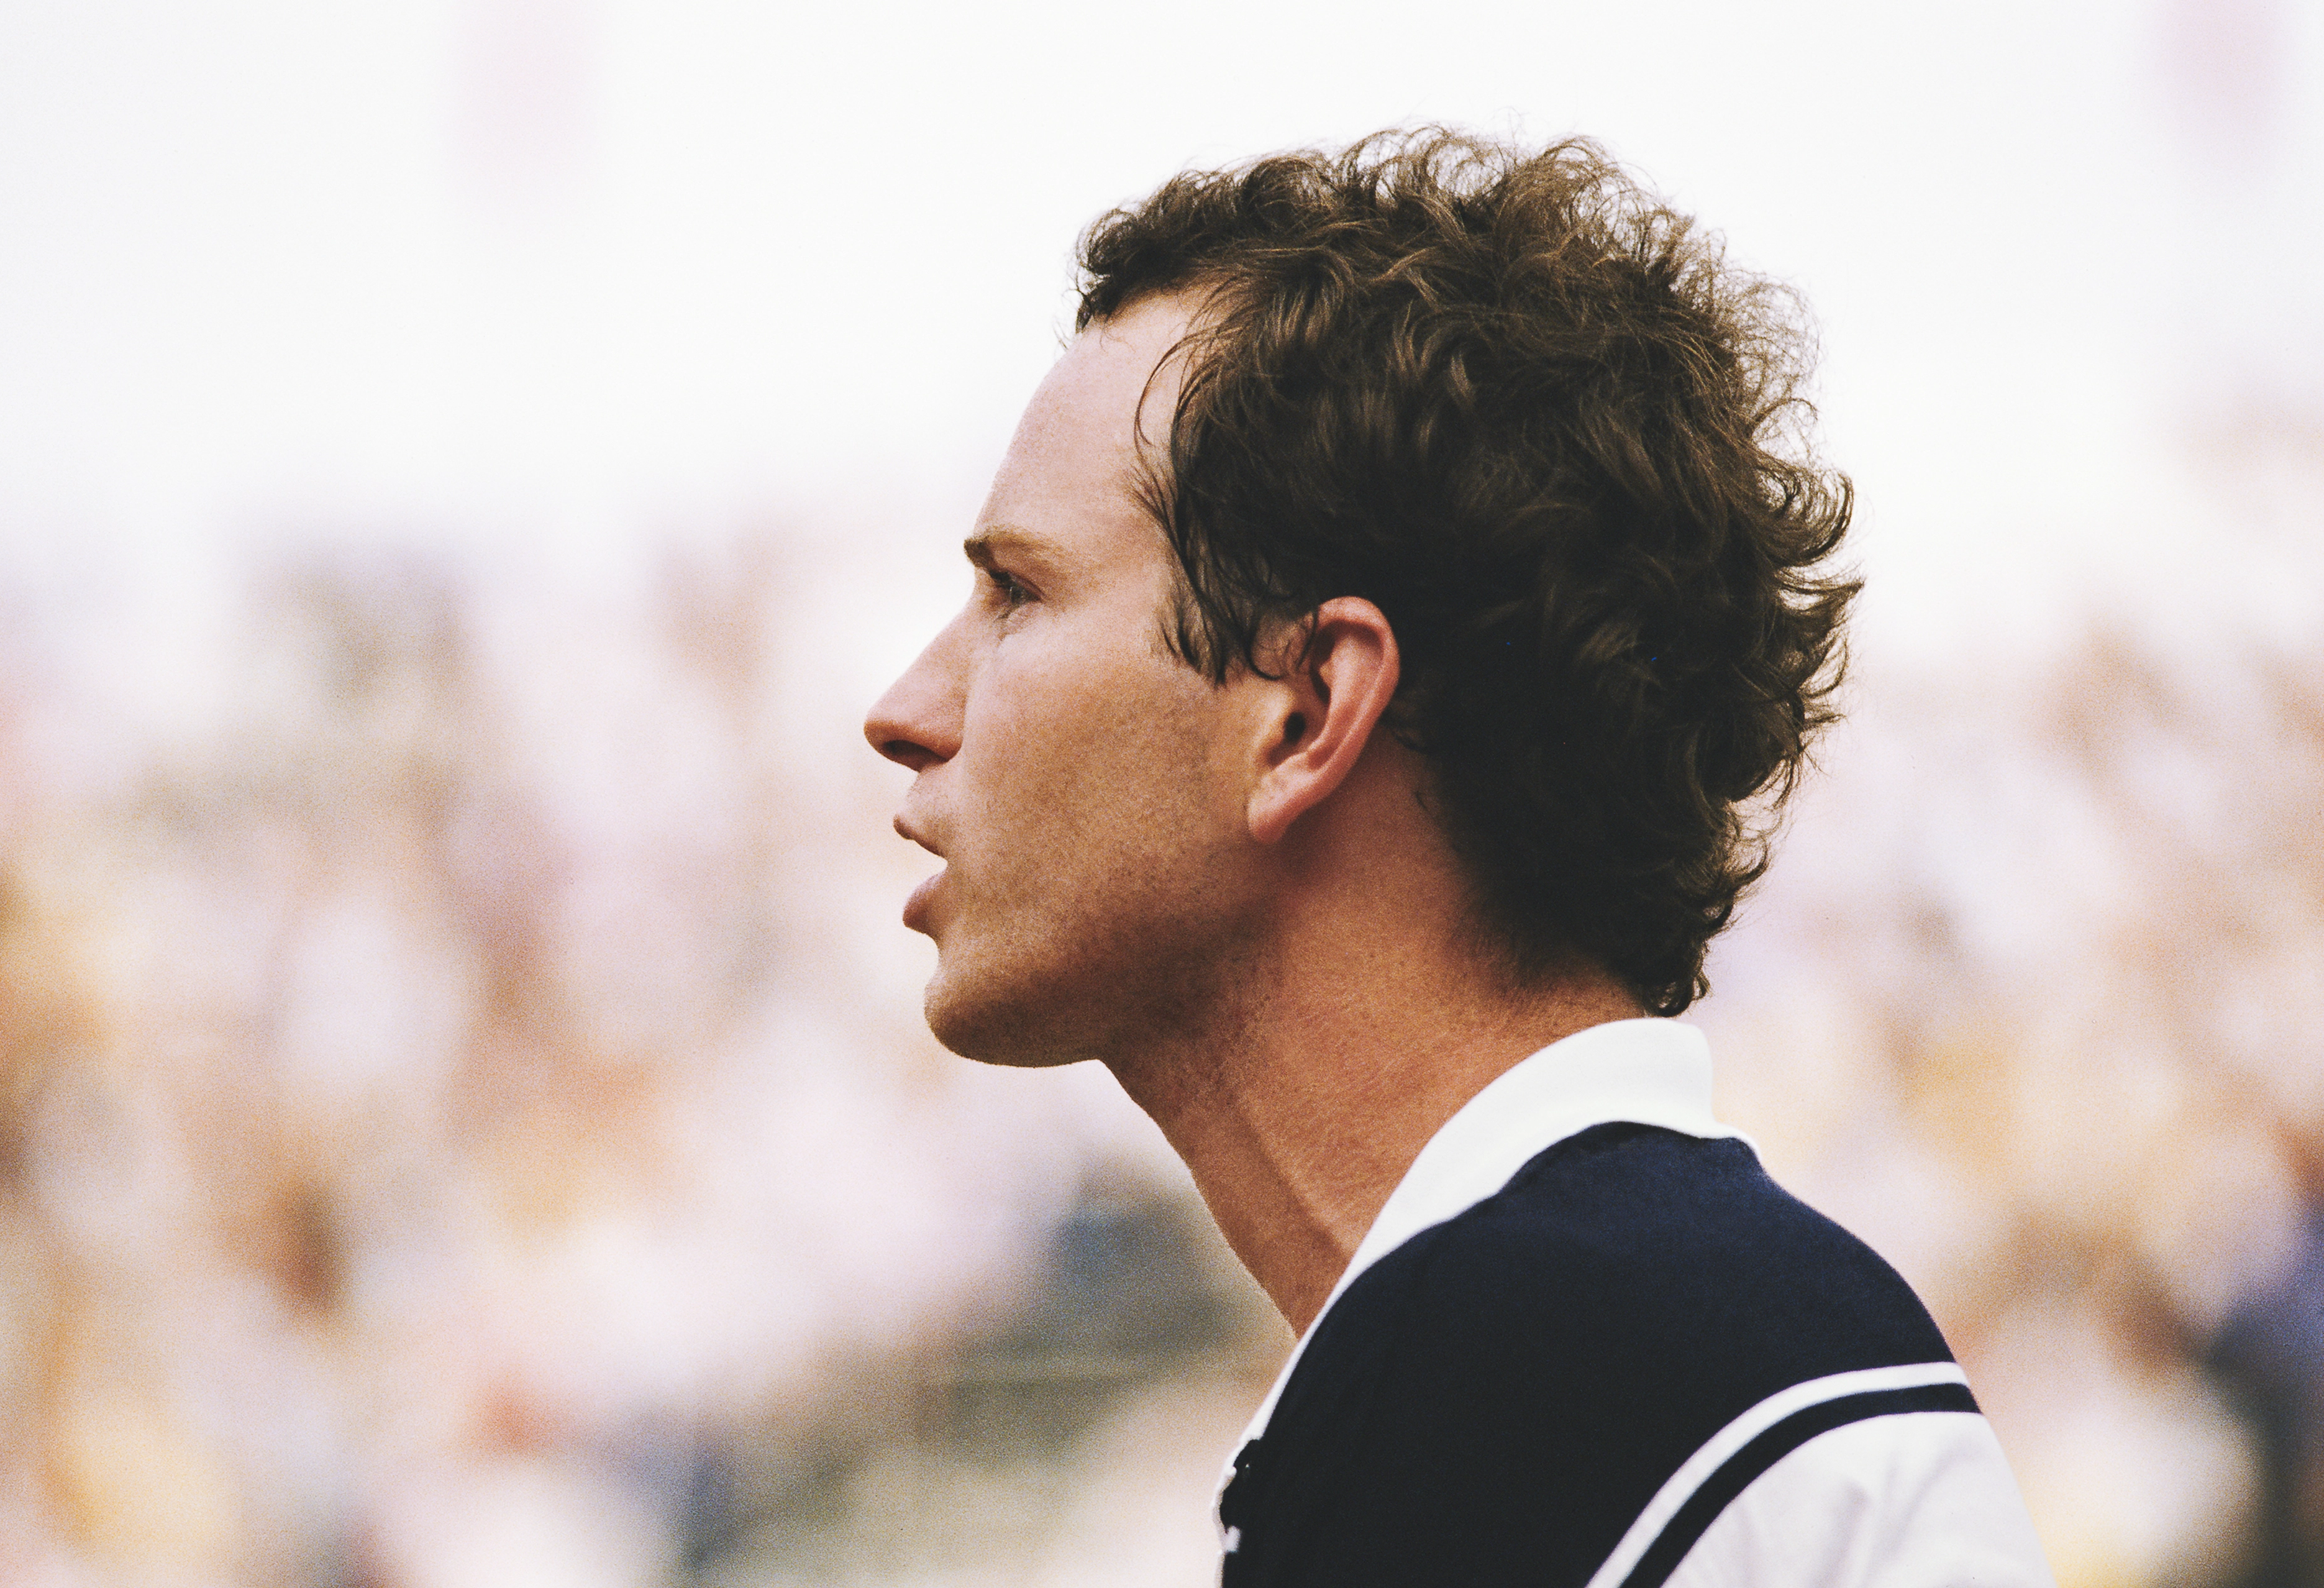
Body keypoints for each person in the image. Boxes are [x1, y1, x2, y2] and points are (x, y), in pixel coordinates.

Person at [865, 129, 2054, 1586]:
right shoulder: (1641, 1353)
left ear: (1307, 712)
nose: (906, 708)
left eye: (1015, 592)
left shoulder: (1566, 1401)